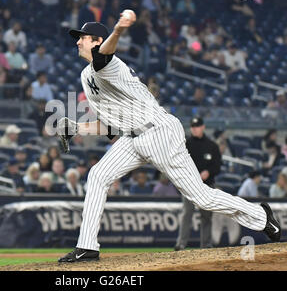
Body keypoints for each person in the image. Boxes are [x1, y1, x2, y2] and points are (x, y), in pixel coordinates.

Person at [56, 15, 280, 263]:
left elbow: (103, 54)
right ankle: (87, 246)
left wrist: (119, 29)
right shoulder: (86, 76)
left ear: (97, 41)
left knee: (201, 198)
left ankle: (260, 214)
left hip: (159, 131)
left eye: (83, 38)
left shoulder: (108, 63)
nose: (77, 42)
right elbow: (110, 125)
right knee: (98, 176)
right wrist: (77, 128)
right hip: (132, 138)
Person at [175, 117, 222, 251]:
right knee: (186, 215)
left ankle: (206, 244)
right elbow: (179, 163)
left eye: (197, 126)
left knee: (206, 216)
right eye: (193, 127)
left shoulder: (212, 146)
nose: (195, 129)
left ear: (203, 127)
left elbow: (217, 166)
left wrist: (208, 171)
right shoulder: (185, 144)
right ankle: (181, 244)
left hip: (206, 186)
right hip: (189, 185)